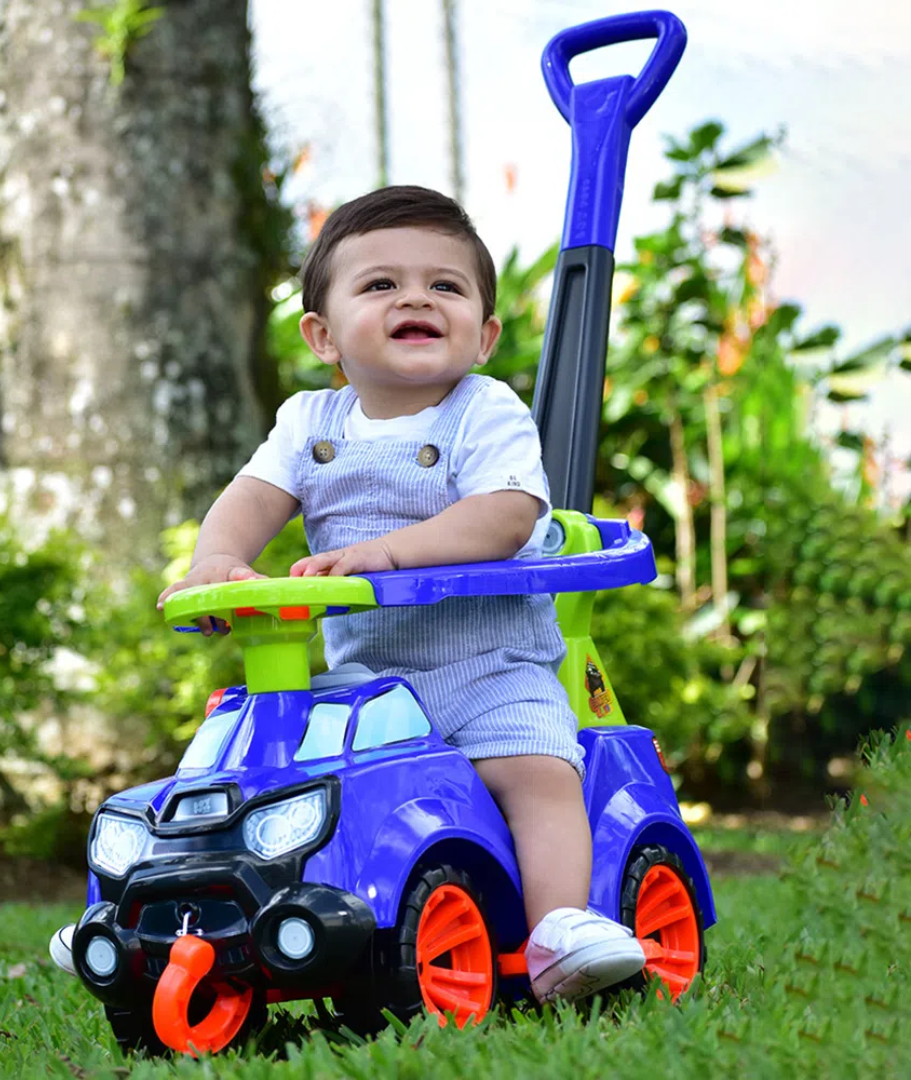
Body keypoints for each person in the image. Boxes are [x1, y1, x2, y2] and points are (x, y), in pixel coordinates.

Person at [50, 185, 645, 1003]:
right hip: (365, 687)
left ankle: (556, 933)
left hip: (489, 669)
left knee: (537, 772)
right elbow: (251, 499)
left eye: (446, 286)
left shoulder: (485, 412)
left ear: (485, 334)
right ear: (323, 335)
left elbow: (506, 518)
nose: (416, 298)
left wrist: (387, 554)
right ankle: (155, 910)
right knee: (249, 770)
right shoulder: (308, 424)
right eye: (380, 285)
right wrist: (217, 561)